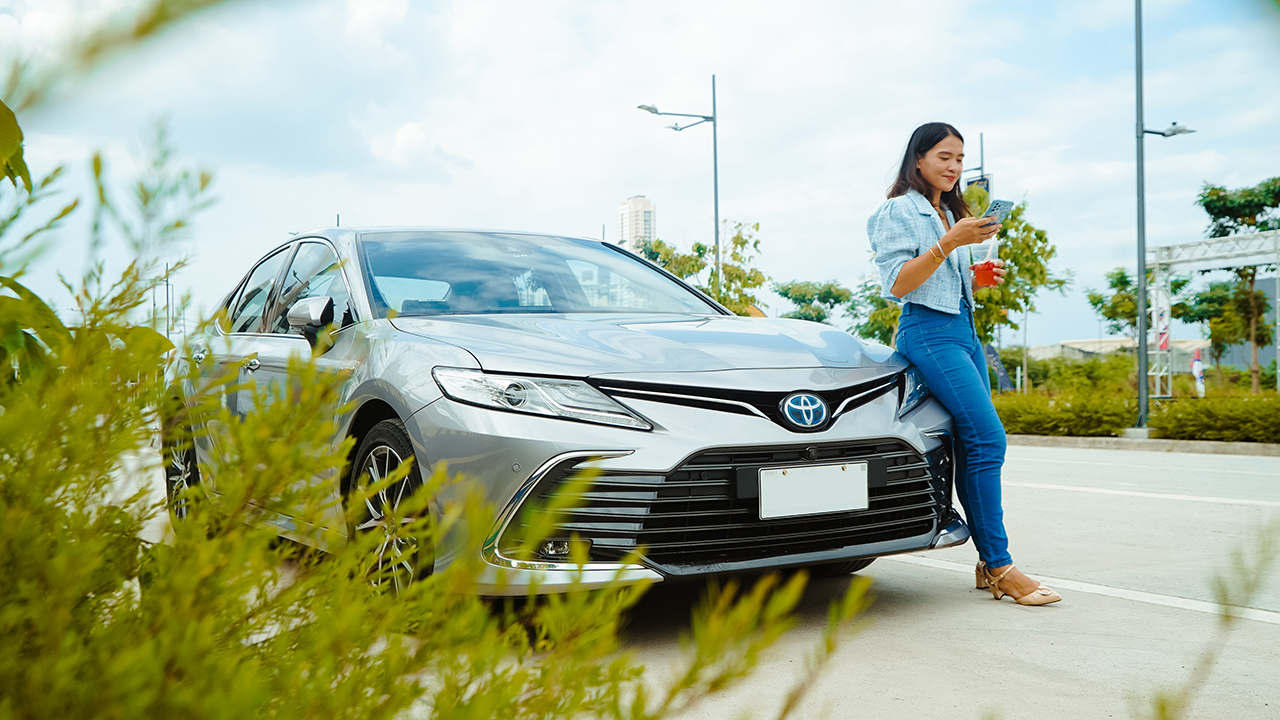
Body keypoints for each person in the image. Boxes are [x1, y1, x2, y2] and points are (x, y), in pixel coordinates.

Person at [866, 121, 1061, 606]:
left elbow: (939, 279)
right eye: (944, 158)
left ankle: (988, 563)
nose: (954, 168)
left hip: (964, 333)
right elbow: (897, 284)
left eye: (959, 159)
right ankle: (1002, 567)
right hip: (928, 333)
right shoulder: (898, 212)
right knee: (989, 438)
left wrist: (976, 279)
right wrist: (950, 243)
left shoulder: (947, 211)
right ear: (918, 160)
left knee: (973, 445)